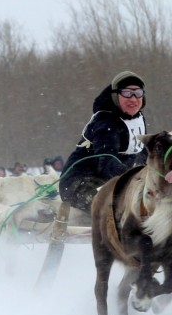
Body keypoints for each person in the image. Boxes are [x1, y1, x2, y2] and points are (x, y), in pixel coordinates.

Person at [60, 71, 148, 213]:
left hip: (110, 181)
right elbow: (106, 162)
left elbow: (142, 153)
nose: (133, 99)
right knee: (117, 205)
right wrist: (135, 180)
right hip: (78, 183)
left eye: (138, 93)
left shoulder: (138, 119)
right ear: (115, 95)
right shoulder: (106, 122)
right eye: (126, 93)